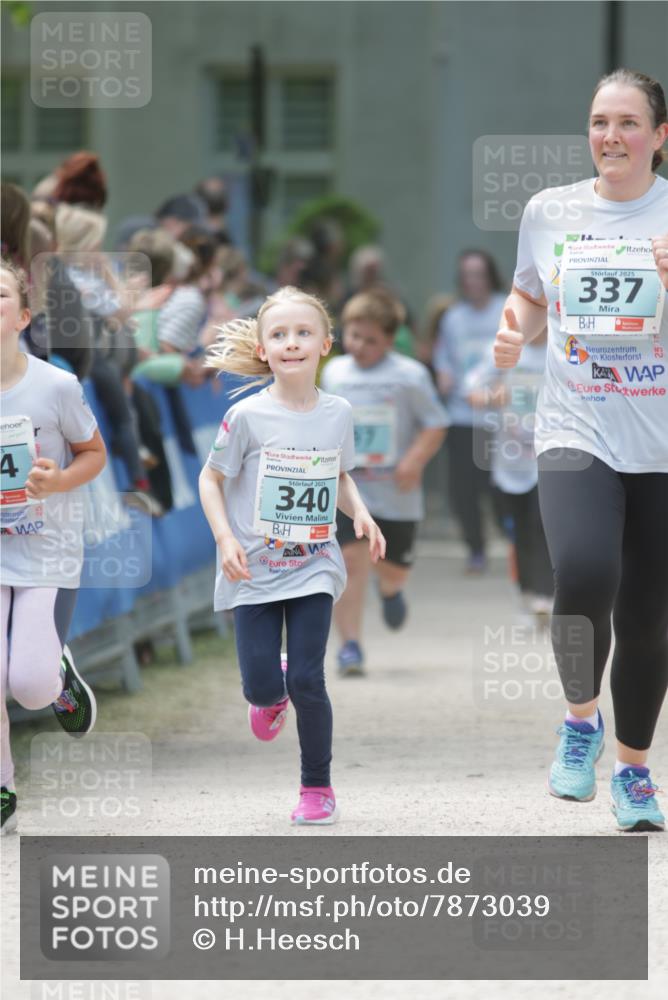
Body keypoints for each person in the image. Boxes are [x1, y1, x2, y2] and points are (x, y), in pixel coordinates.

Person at [493, 68, 668, 832]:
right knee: (586, 569)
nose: (611, 137)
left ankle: (633, 772)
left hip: (660, 440)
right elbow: (533, 292)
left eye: (629, 123)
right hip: (575, 425)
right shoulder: (550, 210)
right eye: (600, 121)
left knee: (650, 618)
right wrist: (512, 329)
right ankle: (578, 723)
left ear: (660, 137)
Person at [199, 286, 385, 825]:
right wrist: (226, 539)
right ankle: (268, 690)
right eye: (279, 335)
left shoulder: (338, 412)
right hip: (253, 568)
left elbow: (340, 474)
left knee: (309, 679)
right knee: (262, 686)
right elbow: (210, 481)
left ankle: (316, 786)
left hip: (313, 564)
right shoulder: (247, 418)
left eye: (303, 332)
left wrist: (362, 514)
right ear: (262, 349)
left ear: (326, 344)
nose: (292, 343)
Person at [1, 260, 107, 835]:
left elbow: (93, 453)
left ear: (21, 316)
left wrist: (57, 480)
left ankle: (57, 677)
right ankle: (3, 786)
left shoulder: (56, 385)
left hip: (45, 547)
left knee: (30, 685)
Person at [320, 289, 448, 675]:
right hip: (349, 489)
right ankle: (350, 647)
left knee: (392, 570)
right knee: (349, 562)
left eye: (371, 340)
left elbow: (436, 423)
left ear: (391, 340)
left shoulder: (409, 375)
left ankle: (390, 590)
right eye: (354, 336)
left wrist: (413, 461)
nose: (359, 346)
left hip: (397, 493)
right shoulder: (334, 372)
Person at [466, 334, 553, 625]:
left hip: (551, 457)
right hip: (509, 460)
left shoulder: (565, 346)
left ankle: (545, 595)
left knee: (542, 524)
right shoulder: (504, 350)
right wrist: (495, 395)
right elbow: (472, 391)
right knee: (517, 533)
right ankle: (525, 593)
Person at [433, 250, 507, 572]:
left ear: (490, 275)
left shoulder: (506, 308)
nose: (473, 281)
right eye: (467, 274)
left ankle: (515, 540)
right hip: (462, 415)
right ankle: (476, 549)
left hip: (501, 416)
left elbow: (524, 351)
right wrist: (444, 374)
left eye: (478, 273)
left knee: (500, 485)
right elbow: (443, 357)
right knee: (463, 490)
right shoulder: (454, 317)